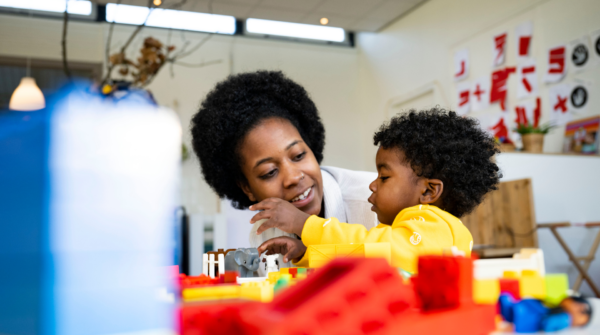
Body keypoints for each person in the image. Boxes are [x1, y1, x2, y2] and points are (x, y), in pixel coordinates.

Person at [255, 108, 501, 274]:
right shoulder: (403, 231)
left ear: (429, 191)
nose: (372, 185)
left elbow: (378, 250)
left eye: (384, 177)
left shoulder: (434, 225)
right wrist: (307, 254)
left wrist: (305, 224)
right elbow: (364, 255)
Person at [190, 71, 378, 256]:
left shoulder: (375, 205)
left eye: (298, 155)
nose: (293, 177)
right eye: (269, 172)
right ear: (247, 188)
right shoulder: (265, 234)